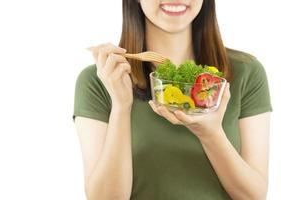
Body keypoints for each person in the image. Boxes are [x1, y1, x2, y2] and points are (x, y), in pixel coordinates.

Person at [73, 0, 272, 199]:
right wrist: (121, 106)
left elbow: (254, 196)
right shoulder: (101, 80)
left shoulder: (247, 72)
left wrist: (211, 135)